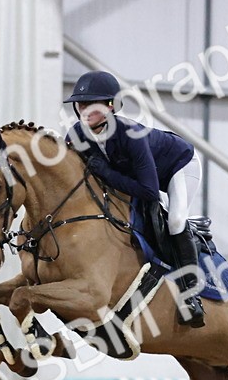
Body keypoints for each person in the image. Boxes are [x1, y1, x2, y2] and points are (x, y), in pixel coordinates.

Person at [64, 70, 206, 327]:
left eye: (91, 104)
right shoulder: (76, 136)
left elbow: (150, 191)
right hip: (142, 176)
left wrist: (106, 172)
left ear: (110, 106)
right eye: (81, 104)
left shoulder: (130, 134)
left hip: (179, 166)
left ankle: (191, 293)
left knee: (175, 220)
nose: (84, 110)